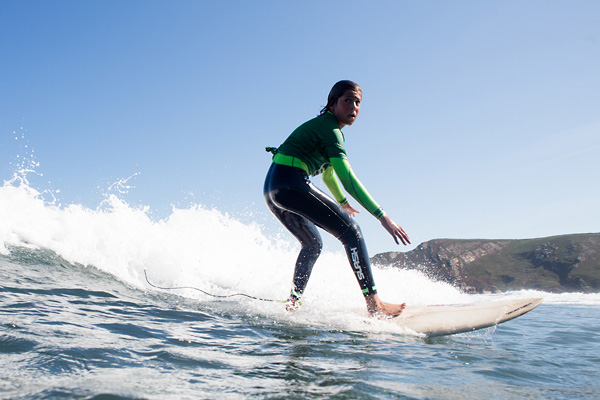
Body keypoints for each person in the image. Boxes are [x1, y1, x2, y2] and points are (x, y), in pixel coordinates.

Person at [264, 80, 411, 317]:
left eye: (357, 102)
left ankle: (292, 304)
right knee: (352, 233)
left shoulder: (326, 129)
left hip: (273, 189)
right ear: (332, 104)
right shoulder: (331, 130)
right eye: (347, 101)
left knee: (312, 244)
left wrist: (343, 203)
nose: (353, 106)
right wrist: (382, 216)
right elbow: (347, 178)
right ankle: (375, 304)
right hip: (291, 181)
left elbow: (330, 176)